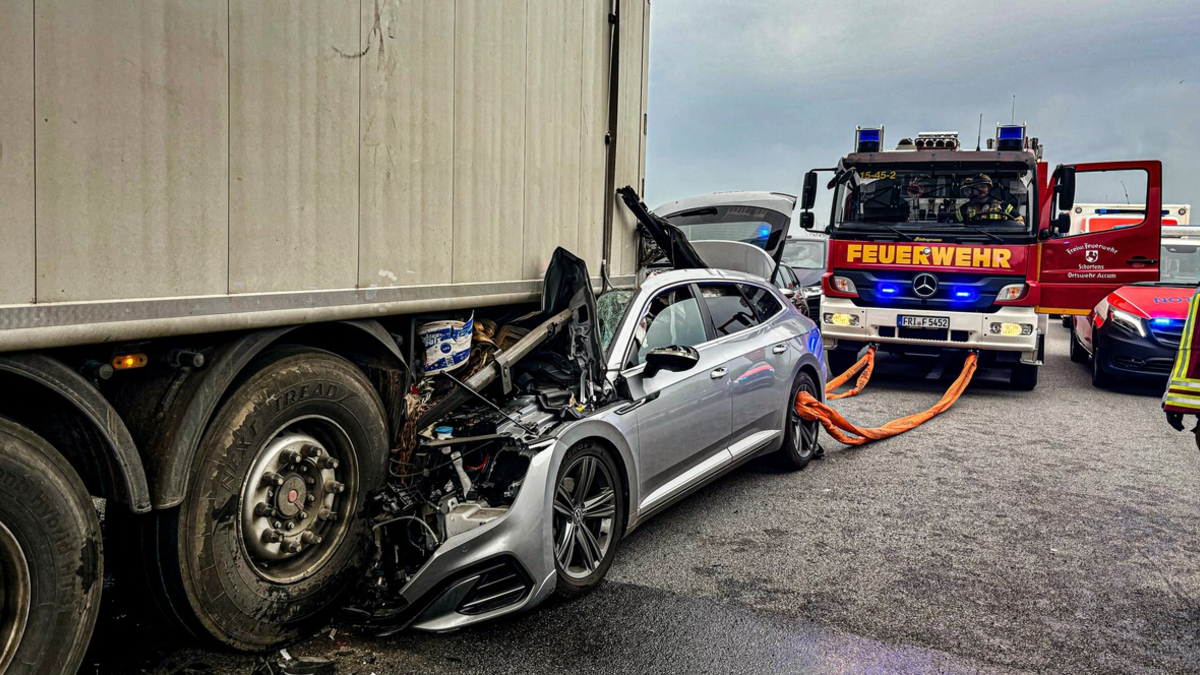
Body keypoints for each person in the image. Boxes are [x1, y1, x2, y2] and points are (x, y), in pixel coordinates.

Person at [956, 174, 1023, 223]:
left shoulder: (1003, 205)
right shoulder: (964, 208)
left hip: (999, 239)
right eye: (976, 187)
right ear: (972, 190)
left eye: (983, 186)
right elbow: (955, 227)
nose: (980, 189)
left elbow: (1019, 222)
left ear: (989, 188)